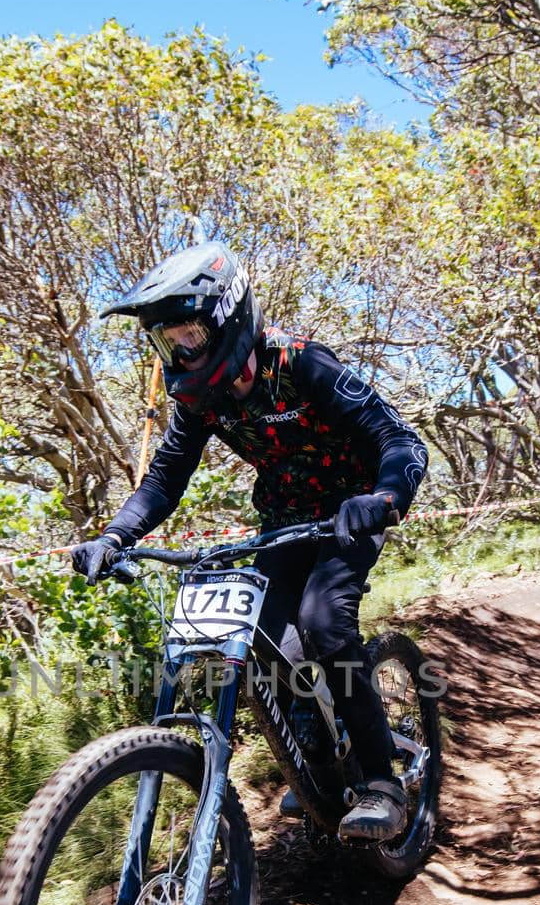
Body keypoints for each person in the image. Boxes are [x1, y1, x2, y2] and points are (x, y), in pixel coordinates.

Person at [71, 242, 429, 841]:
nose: (181, 352)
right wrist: (115, 534)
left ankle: (381, 783)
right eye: (168, 343)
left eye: (188, 335)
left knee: (324, 625)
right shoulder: (199, 400)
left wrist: (384, 498)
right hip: (285, 519)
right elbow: (164, 479)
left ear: (228, 315)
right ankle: (320, 770)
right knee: (274, 644)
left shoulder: (301, 363)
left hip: (350, 512)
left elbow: (400, 440)